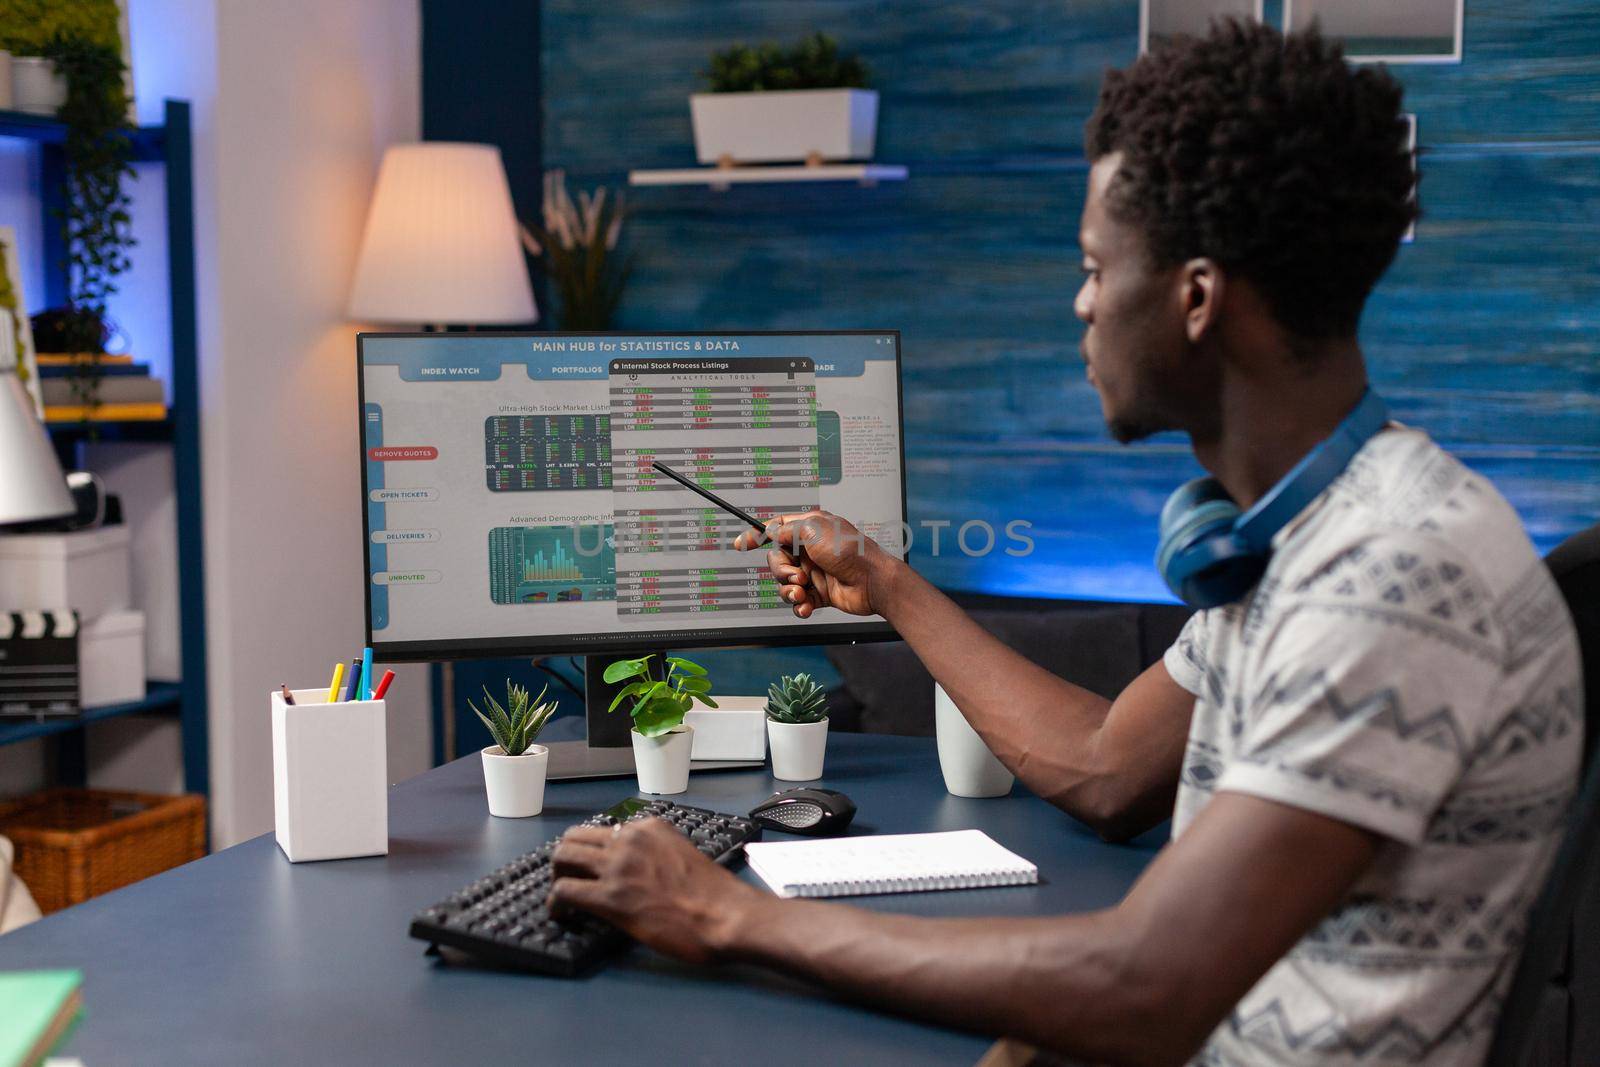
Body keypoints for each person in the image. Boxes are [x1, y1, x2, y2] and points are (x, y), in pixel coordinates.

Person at [550, 19, 1582, 1065]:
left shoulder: (1391, 575)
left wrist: (729, 916)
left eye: (1096, 266)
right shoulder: (1289, 544)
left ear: (1194, 296)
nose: (1080, 302)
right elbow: (1102, 768)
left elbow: (1145, 985)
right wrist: (889, 583)